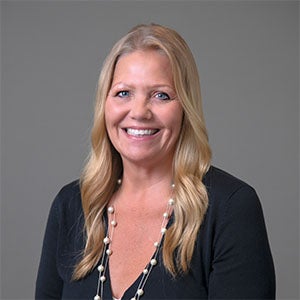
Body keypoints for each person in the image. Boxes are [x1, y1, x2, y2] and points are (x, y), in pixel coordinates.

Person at [35, 23, 275, 300]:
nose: (139, 112)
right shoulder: (72, 205)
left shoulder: (230, 208)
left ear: (185, 108)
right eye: (123, 93)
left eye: (161, 95)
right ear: (104, 105)